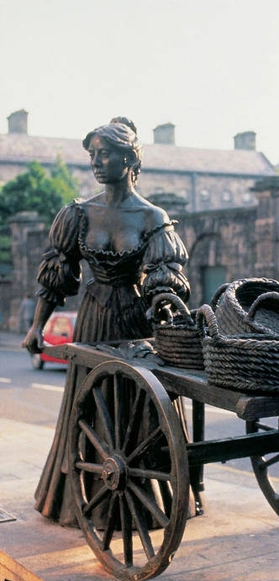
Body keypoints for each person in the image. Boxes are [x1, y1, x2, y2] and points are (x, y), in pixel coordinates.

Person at [23, 117, 191, 526]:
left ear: (129, 158)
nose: (97, 162)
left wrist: (162, 301)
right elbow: (57, 277)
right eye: (93, 155)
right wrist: (37, 327)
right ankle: (83, 500)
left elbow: (164, 276)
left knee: (138, 409)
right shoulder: (79, 214)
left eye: (106, 154)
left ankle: (144, 501)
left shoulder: (152, 217)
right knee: (91, 409)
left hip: (136, 325)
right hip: (94, 320)